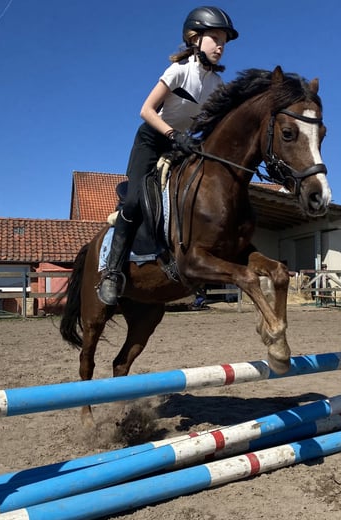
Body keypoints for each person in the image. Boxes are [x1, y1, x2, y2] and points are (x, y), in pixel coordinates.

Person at [97, 6, 239, 305]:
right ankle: (111, 272)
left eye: (224, 40)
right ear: (194, 38)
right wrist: (174, 135)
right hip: (151, 141)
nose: (221, 45)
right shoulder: (179, 71)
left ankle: (185, 264)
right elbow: (146, 110)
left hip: (182, 146)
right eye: (215, 37)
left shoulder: (217, 84)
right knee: (135, 201)